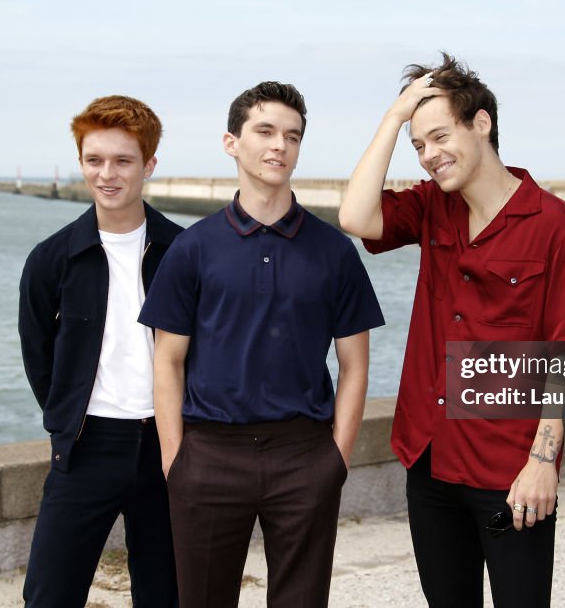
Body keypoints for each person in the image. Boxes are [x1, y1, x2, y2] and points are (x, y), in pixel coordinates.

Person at [338, 54, 565, 607]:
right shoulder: (432, 207)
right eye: (418, 146)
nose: (430, 156)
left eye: (439, 136)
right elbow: (356, 219)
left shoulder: (556, 227)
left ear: (481, 124)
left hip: (509, 469)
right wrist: (393, 118)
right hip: (428, 455)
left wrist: (543, 461)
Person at [139, 81, 384, 608]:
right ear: (232, 142)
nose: (280, 146)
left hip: (304, 454)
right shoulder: (191, 248)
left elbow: (355, 365)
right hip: (208, 454)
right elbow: (167, 360)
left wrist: (335, 459)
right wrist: (174, 459)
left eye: (292, 136)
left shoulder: (334, 252)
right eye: (265, 131)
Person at [18, 95, 181, 607]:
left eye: (123, 160)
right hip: (86, 446)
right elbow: (38, 356)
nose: (107, 174)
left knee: (168, 596)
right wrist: (66, 416)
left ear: (148, 165)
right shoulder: (51, 259)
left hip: (170, 446)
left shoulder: (185, 252)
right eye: (95, 160)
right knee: (49, 595)